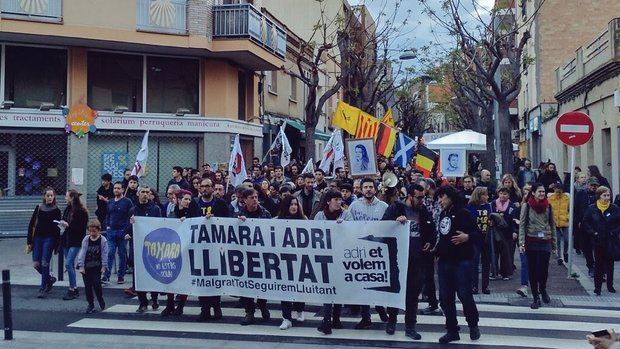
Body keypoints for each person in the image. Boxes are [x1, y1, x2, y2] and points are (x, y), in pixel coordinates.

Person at [382, 184, 436, 339]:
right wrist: (395, 222)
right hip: (397, 258)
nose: (421, 200)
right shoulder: (396, 208)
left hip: (417, 259)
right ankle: (391, 321)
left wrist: (430, 242)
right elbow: (382, 226)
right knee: (395, 290)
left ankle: (410, 326)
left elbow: (431, 229)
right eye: (419, 197)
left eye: (423, 197)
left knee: (413, 293)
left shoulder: (423, 210)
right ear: (410, 196)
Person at [433, 185, 481, 344]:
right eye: (438, 198)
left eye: (442, 197)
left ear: (450, 197)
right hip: (445, 261)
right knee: (445, 298)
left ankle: (473, 325)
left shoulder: (463, 213)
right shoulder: (442, 214)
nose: (440, 201)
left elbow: (478, 234)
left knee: (464, 295)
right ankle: (452, 329)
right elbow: (441, 236)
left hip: (462, 261)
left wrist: (467, 237)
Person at [348, 178, 389, 329]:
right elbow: (348, 225)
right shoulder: (354, 206)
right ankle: (366, 317)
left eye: (371, 187)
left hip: (378, 252)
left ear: (375, 188)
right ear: (361, 189)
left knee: (376, 283)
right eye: (365, 187)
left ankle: (380, 308)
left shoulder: (384, 206)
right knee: (363, 284)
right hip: (360, 250)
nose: (368, 190)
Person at [315, 190, 352, 335]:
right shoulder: (319, 215)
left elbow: (353, 232)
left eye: (340, 199)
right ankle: (326, 320)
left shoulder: (346, 215)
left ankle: (335, 318)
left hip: (341, 256)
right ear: (328, 201)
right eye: (335, 199)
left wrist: (344, 227)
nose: (339, 202)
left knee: (338, 289)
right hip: (325, 256)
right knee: (327, 290)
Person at [235, 188, 272, 325]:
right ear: (244, 200)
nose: (255, 200)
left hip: (262, 255)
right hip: (245, 256)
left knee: (262, 282)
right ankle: (249, 312)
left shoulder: (265, 214)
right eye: (251, 197)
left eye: (256, 197)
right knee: (246, 284)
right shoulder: (239, 215)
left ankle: (262, 304)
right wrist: (240, 223)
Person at [195, 178, 230, 321]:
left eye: (208, 186)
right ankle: (204, 309)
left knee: (215, 278)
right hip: (199, 246)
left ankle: (216, 307)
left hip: (216, 246)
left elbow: (227, 221)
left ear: (212, 188)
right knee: (202, 279)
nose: (205, 189)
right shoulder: (194, 203)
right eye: (202, 186)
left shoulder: (220, 203)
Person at [161, 189, 200, 317]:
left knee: (184, 277)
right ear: (178, 200)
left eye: (189, 199)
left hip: (187, 249)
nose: (188, 201)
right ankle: (170, 304)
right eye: (185, 199)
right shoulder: (172, 212)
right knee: (170, 276)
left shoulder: (194, 212)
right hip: (173, 248)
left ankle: (181, 306)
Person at [518, 182, 557, 309]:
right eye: (539, 191)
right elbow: (522, 225)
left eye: (543, 192)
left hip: (545, 240)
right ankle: (535, 297)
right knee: (533, 270)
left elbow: (552, 225)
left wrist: (554, 244)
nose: (542, 194)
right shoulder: (527, 206)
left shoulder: (549, 206)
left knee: (543, 269)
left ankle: (543, 288)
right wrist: (521, 243)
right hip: (531, 241)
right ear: (533, 193)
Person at [126, 185, 162, 312]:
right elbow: (128, 230)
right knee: (139, 276)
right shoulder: (132, 210)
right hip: (137, 248)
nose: (145, 194)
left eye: (147, 192)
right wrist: (129, 228)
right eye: (143, 192)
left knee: (153, 273)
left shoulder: (155, 209)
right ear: (138, 194)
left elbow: (160, 226)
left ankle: (155, 297)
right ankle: (143, 302)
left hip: (152, 248)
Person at [276, 196, 308, 330]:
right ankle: (286, 318)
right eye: (291, 205)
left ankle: (300, 309)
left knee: (299, 287)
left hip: (300, 260)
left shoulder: (304, 220)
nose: (294, 207)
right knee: (285, 289)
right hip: (284, 260)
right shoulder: (278, 221)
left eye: (296, 204)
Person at [582, 186, 619, 295]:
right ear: (599, 196)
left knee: (610, 264)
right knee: (598, 264)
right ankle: (597, 287)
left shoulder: (614, 208)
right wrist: (593, 232)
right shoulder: (592, 208)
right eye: (605, 195)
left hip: (611, 240)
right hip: (598, 240)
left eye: (608, 195)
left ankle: (610, 285)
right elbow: (586, 222)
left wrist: (614, 232)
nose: (607, 198)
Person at [27, 187, 62, 298]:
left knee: (44, 262)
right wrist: (29, 240)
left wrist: (57, 245)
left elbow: (57, 228)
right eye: (48, 195)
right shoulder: (39, 208)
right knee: (36, 264)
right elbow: (32, 224)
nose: (50, 197)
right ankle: (49, 279)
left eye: (52, 195)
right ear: (44, 196)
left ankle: (43, 288)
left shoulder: (57, 210)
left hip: (49, 239)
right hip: (37, 238)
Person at [59, 189, 89, 301]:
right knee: (69, 264)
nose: (65, 198)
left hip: (75, 240)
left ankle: (73, 288)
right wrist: (62, 224)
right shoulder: (67, 209)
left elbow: (80, 228)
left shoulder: (80, 211)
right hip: (66, 239)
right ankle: (73, 288)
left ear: (72, 197)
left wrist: (68, 225)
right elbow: (64, 220)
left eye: (67, 196)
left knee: (68, 264)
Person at [103, 181, 134, 285]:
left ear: (123, 190)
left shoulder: (127, 202)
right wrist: (107, 226)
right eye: (115, 188)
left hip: (122, 232)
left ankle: (121, 276)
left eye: (118, 188)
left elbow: (131, 216)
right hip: (111, 231)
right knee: (110, 253)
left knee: (122, 254)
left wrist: (127, 230)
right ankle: (106, 276)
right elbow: (107, 215)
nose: (116, 190)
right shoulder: (110, 202)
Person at [76, 219, 108, 313]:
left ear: (99, 230)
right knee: (88, 287)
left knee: (97, 285)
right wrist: (81, 266)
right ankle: (91, 304)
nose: (92, 233)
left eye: (94, 231)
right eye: (90, 231)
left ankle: (100, 299)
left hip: (97, 267)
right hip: (87, 267)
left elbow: (104, 254)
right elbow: (82, 252)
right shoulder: (86, 239)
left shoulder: (103, 240)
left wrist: (104, 266)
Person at [466, 187, 492, 294]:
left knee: (486, 263)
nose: (487, 197)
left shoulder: (489, 206)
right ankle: (474, 286)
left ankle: (485, 286)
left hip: (486, 237)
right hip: (475, 237)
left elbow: (492, 217)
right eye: (485, 195)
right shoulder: (470, 207)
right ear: (479, 195)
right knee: (474, 262)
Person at [491, 187, 519, 280]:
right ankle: (494, 272)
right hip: (495, 231)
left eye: (505, 194)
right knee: (494, 253)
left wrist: (514, 232)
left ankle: (505, 274)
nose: (503, 195)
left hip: (507, 232)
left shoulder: (512, 206)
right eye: (501, 193)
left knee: (506, 254)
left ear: (509, 195)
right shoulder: (493, 204)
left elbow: (514, 220)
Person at [576, 177, 600, 277]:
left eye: (595, 185)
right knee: (587, 247)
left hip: (597, 225)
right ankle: (591, 266)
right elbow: (576, 208)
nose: (593, 187)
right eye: (592, 185)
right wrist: (577, 221)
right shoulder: (581, 194)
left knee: (598, 247)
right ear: (588, 185)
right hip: (584, 224)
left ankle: (599, 268)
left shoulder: (599, 195)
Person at [516, 183, 532, 297]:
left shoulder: (542, 207)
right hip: (523, 239)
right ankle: (524, 286)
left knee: (536, 264)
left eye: (529, 191)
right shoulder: (521, 207)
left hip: (536, 239)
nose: (526, 194)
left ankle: (539, 287)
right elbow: (516, 220)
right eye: (525, 192)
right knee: (525, 263)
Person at [548, 181, 570, 265]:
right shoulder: (550, 199)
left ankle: (565, 252)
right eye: (556, 191)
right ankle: (559, 257)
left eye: (559, 191)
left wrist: (568, 217)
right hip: (555, 222)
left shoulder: (566, 198)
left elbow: (570, 209)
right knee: (557, 240)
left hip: (565, 221)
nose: (558, 193)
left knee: (566, 239)